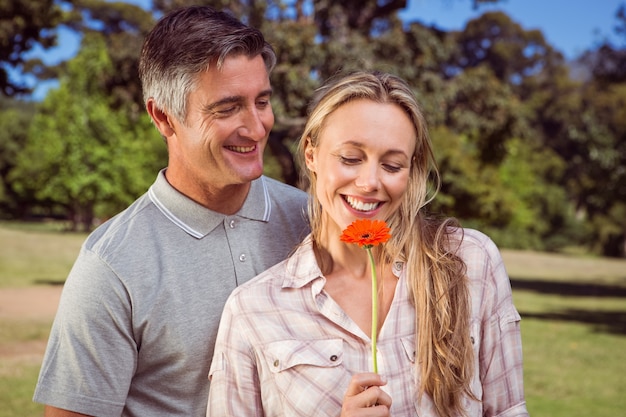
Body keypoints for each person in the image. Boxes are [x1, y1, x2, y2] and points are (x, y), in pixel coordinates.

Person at [33, 6, 309, 417]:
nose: (256, 127)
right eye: (227, 108)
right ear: (163, 116)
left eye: (262, 101)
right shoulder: (111, 268)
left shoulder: (312, 221)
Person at [207, 71, 530, 417]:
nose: (369, 182)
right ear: (311, 155)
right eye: (350, 158)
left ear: (411, 169)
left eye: (392, 165)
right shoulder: (254, 309)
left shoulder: (470, 264)